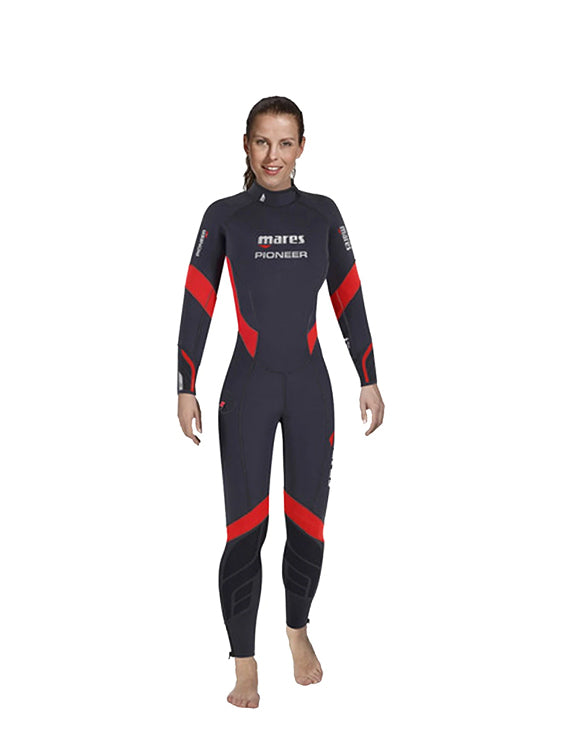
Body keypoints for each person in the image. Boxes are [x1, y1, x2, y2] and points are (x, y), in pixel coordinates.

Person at [177, 95, 384, 708]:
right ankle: (244, 662)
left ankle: (297, 629)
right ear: (245, 145)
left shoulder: (323, 214)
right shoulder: (225, 216)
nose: (273, 155)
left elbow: (349, 295)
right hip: (248, 388)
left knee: (308, 525)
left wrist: (369, 376)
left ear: (301, 148)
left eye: (285, 143)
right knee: (246, 530)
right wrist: (185, 384)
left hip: (310, 388)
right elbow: (197, 299)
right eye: (262, 142)